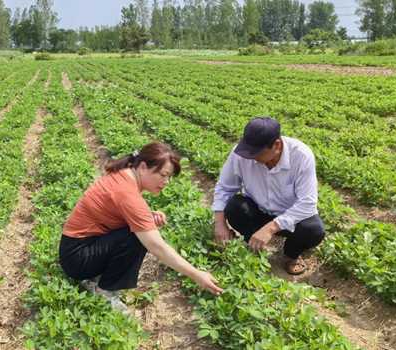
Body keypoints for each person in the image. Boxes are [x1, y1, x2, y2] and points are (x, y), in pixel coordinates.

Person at [59, 142, 224, 315]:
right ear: (143, 166)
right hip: (77, 258)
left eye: (169, 177)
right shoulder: (127, 194)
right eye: (162, 174)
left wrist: (147, 215)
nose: (166, 182)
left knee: (139, 230)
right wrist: (197, 275)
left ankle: (94, 280)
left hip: (76, 248)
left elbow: (117, 209)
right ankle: (102, 291)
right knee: (136, 237)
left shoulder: (124, 174)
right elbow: (157, 247)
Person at [212, 117, 325, 275]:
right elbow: (225, 187)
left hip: (288, 219)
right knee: (234, 206)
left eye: (257, 153)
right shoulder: (241, 154)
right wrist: (219, 224)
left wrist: (270, 229)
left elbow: (307, 204)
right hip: (257, 211)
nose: (250, 157)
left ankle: (292, 254)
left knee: (314, 230)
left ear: (277, 145)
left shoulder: (301, 156)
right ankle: (253, 244)